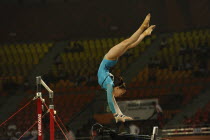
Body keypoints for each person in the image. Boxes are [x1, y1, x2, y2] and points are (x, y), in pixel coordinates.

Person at [97, 13, 156, 123]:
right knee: (127, 44)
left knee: (128, 43)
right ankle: (144, 31)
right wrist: (118, 115)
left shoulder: (109, 85)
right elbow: (112, 102)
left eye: (121, 94)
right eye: (122, 94)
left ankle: (143, 30)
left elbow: (111, 102)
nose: (120, 95)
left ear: (117, 88)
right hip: (110, 60)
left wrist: (119, 115)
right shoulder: (109, 85)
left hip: (109, 59)